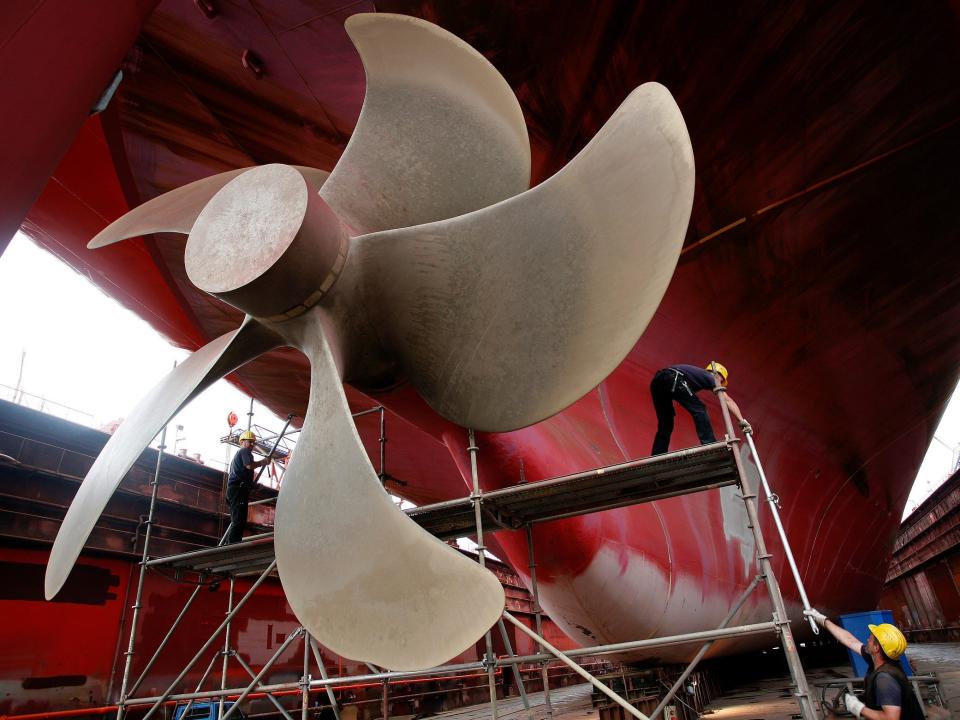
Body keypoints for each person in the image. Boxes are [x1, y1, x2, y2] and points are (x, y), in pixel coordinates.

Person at [804, 609, 923, 720]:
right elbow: (850, 640)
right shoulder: (881, 661)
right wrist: (823, 620)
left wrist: (859, 708)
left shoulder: (885, 679)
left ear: (876, 648)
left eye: (871, 638)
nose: (867, 639)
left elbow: (891, 718)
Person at [650, 361, 751, 455]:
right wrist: (741, 420)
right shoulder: (711, 377)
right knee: (700, 409)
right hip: (673, 378)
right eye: (722, 381)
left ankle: (657, 454)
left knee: (666, 424)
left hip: (657, 381)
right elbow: (727, 400)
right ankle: (710, 445)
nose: (720, 384)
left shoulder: (696, 376)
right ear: (718, 375)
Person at [226, 430, 272, 544]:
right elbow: (249, 466)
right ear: (242, 442)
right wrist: (263, 462)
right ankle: (232, 546)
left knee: (238, 519)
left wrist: (254, 486)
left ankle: (231, 544)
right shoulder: (244, 451)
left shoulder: (240, 455)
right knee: (238, 520)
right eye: (249, 442)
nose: (251, 445)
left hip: (236, 490)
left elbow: (242, 475)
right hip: (238, 490)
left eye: (253, 443)